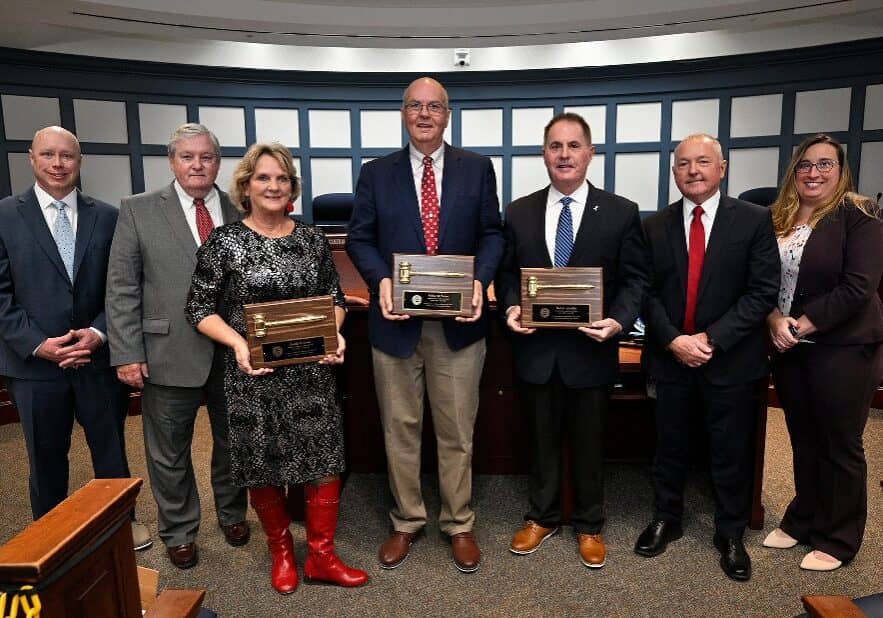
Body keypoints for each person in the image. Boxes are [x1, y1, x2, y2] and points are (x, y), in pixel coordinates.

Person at [185, 142, 368, 593]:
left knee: (324, 459)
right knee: (262, 465)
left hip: (311, 372)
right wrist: (238, 343)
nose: (273, 186)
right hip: (252, 375)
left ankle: (322, 556)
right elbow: (199, 307)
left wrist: (336, 332)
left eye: (282, 178)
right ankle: (282, 553)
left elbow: (335, 299)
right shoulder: (224, 242)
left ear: (292, 188)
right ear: (245, 186)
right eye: (263, 178)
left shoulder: (310, 239)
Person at [346, 76, 504, 573]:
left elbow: (492, 234)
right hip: (396, 323)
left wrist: (480, 280)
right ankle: (406, 520)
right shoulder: (376, 173)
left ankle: (458, 522)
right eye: (414, 105)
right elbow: (360, 238)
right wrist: (381, 281)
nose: (424, 114)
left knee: (457, 430)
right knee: (400, 428)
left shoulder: (477, 169)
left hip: (458, 325)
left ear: (448, 114)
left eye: (434, 106)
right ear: (402, 113)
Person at [494, 112, 647, 568]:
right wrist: (510, 308)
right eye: (555, 146)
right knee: (539, 440)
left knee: (589, 442)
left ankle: (590, 525)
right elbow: (505, 274)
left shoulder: (621, 212)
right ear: (544, 154)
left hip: (591, 350)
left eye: (574, 145)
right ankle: (540, 518)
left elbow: (636, 280)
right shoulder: (518, 211)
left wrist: (619, 322)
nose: (564, 155)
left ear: (590, 153)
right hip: (537, 351)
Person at [636, 133, 780, 581]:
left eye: (703, 162)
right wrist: (675, 340)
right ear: (674, 172)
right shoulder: (654, 225)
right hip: (671, 356)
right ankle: (667, 519)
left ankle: (731, 532)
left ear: (723, 168)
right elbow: (644, 291)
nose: (693, 170)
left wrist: (711, 340)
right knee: (669, 446)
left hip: (731, 358)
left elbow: (762, 293)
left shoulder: (754, 220)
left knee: (729, 450)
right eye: (683, 164)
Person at [106, 123, 249, 569]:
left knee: (233, 441)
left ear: (217, 162)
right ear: (172, 162)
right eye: (187, 157)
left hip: (234, 353)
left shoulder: (239, 207)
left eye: (206, 157)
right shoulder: (138, 209)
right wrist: (127, 352)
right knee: (169, 451)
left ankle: (232, 514)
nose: (197, 165)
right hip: (166, 351)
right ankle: (179, 530)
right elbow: (122, 287)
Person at [0, 126, 149, 550]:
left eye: (67, 156)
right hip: (33, 365)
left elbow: (124, 287)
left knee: (111, 450)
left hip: (97, 358)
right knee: (46, 458)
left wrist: (100, 333)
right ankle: (52, 534)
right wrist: (37, 343)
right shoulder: (5, 215)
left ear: (79, 161)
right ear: (32, 158)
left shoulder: (108, 216)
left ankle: (121, 523)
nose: (58, 164)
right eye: (48, 155)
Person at [762, 134, 883, 571]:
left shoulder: (860, 213)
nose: (814, 173)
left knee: (840, 444)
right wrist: (775, 319)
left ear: (841, 170)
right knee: (804, 439)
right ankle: (804, 519)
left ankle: (839, 537)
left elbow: (859, 286)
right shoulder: (779, 216)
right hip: (790, 346)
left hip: (843, 346)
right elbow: (763, 279)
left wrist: (801, 324)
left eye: (825, 165)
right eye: (805, 165)